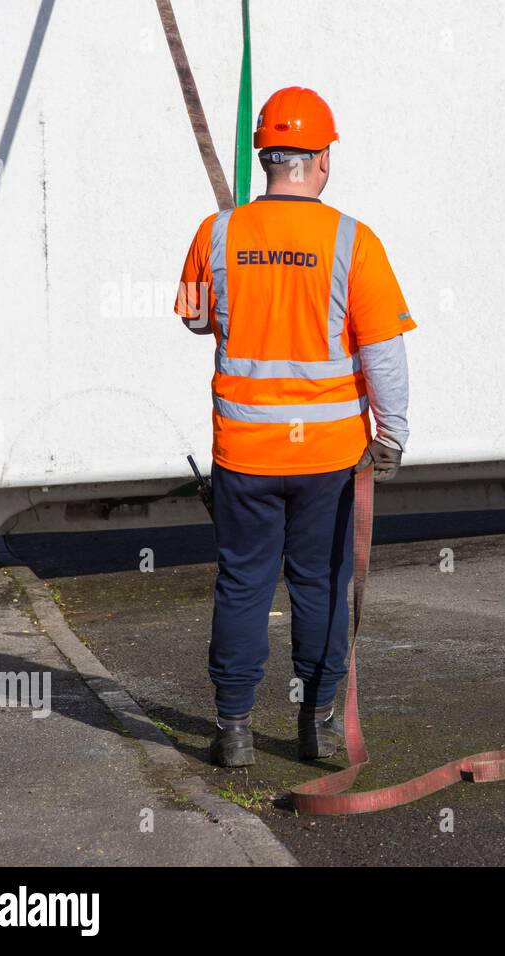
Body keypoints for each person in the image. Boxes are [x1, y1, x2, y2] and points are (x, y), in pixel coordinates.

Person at [173, 86, 414, 767]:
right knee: (319, 585)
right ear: (322, 159)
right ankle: (318, 726)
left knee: (243, 583)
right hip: (329, 460)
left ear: (266, 157)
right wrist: (390, 436)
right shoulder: (352, 242)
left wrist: (241, 274)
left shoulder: (216, 233)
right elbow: (383, 353)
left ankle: (235, 730)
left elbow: (196, 319)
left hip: (245, 453)